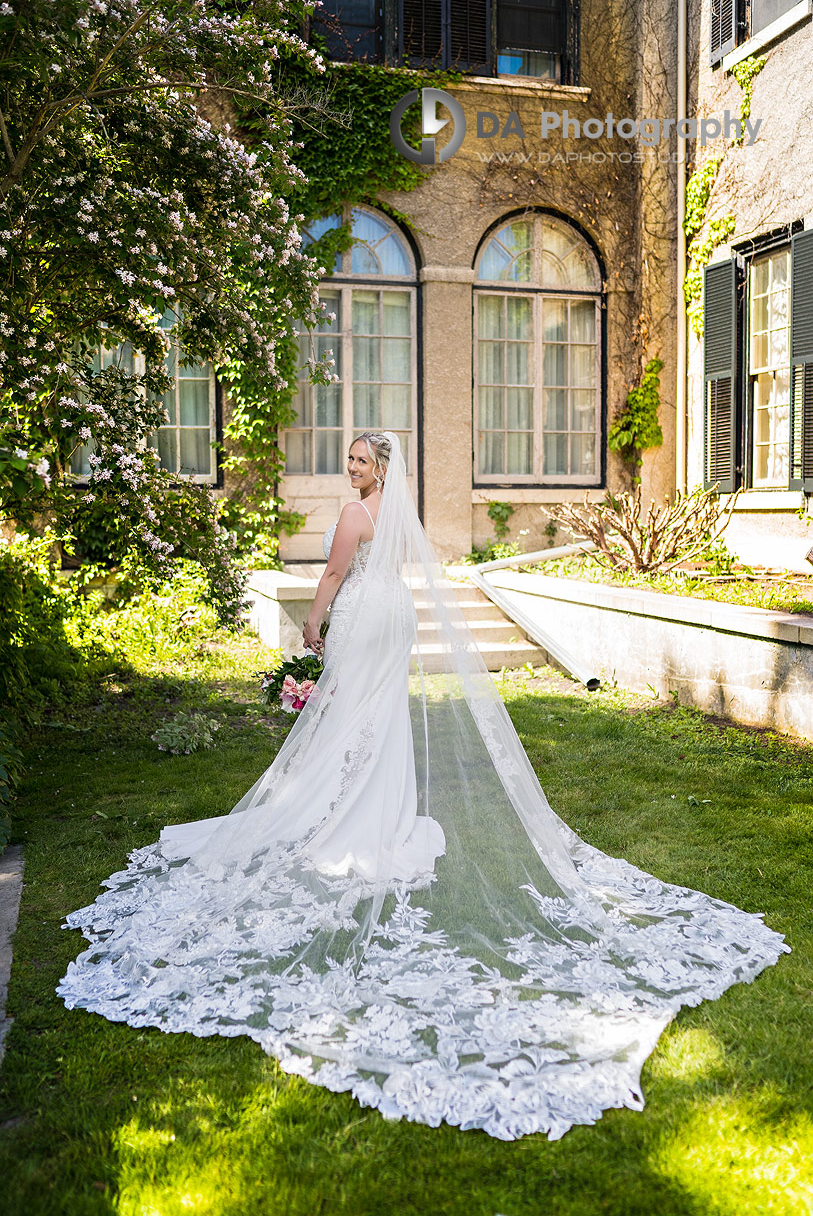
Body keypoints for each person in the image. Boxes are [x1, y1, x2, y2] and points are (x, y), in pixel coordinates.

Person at [58, 430, 788, 1142]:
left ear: (381, 468)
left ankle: (339, 807)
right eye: (348, 459)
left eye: (361, 461)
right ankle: (370, 805)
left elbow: (336, 576)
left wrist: (312, 619)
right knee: (373, 716)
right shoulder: (399, 513)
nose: (351, 470)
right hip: (395, 618)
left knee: (348, 712)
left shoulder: (352, 516)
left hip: (361, 619)